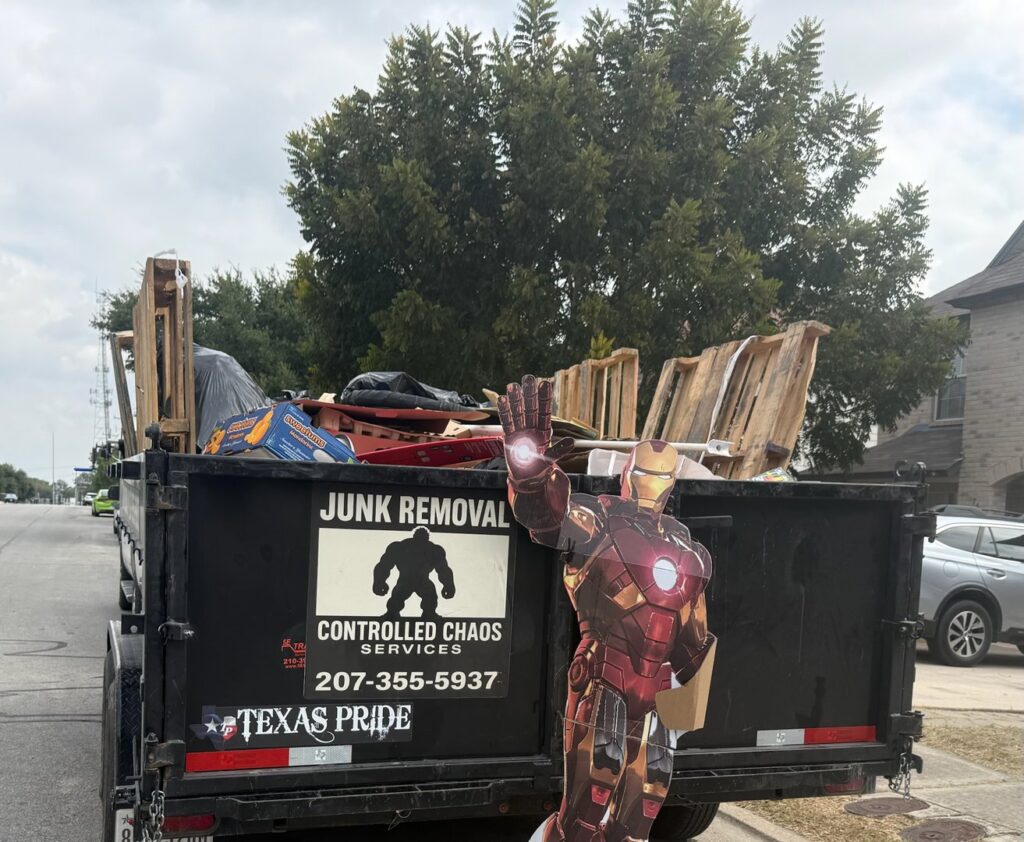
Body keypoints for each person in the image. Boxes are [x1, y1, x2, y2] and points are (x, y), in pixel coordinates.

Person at [499, 375, 715, 842]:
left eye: (660, 477)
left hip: (657, 691)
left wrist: (687, 696)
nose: (650, 485)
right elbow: (547, 515)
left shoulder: (689, 549)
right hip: (604, 674)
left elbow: (694, 640)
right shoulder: (600, 517)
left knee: (638, 819)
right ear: (627, 473)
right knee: (585, 809)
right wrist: (530, 470)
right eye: (643, 473)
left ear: (672, 482)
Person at [372, 526, 456, 619]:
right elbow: (384, 566)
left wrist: (449, 585)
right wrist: (379, 582)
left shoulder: (434, 550)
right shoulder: (400, 547)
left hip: (420, 581)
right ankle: (392, 613)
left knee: (429, 598)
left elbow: (443, 570)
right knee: (397, 599)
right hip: (407, 580)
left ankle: (427, 614)